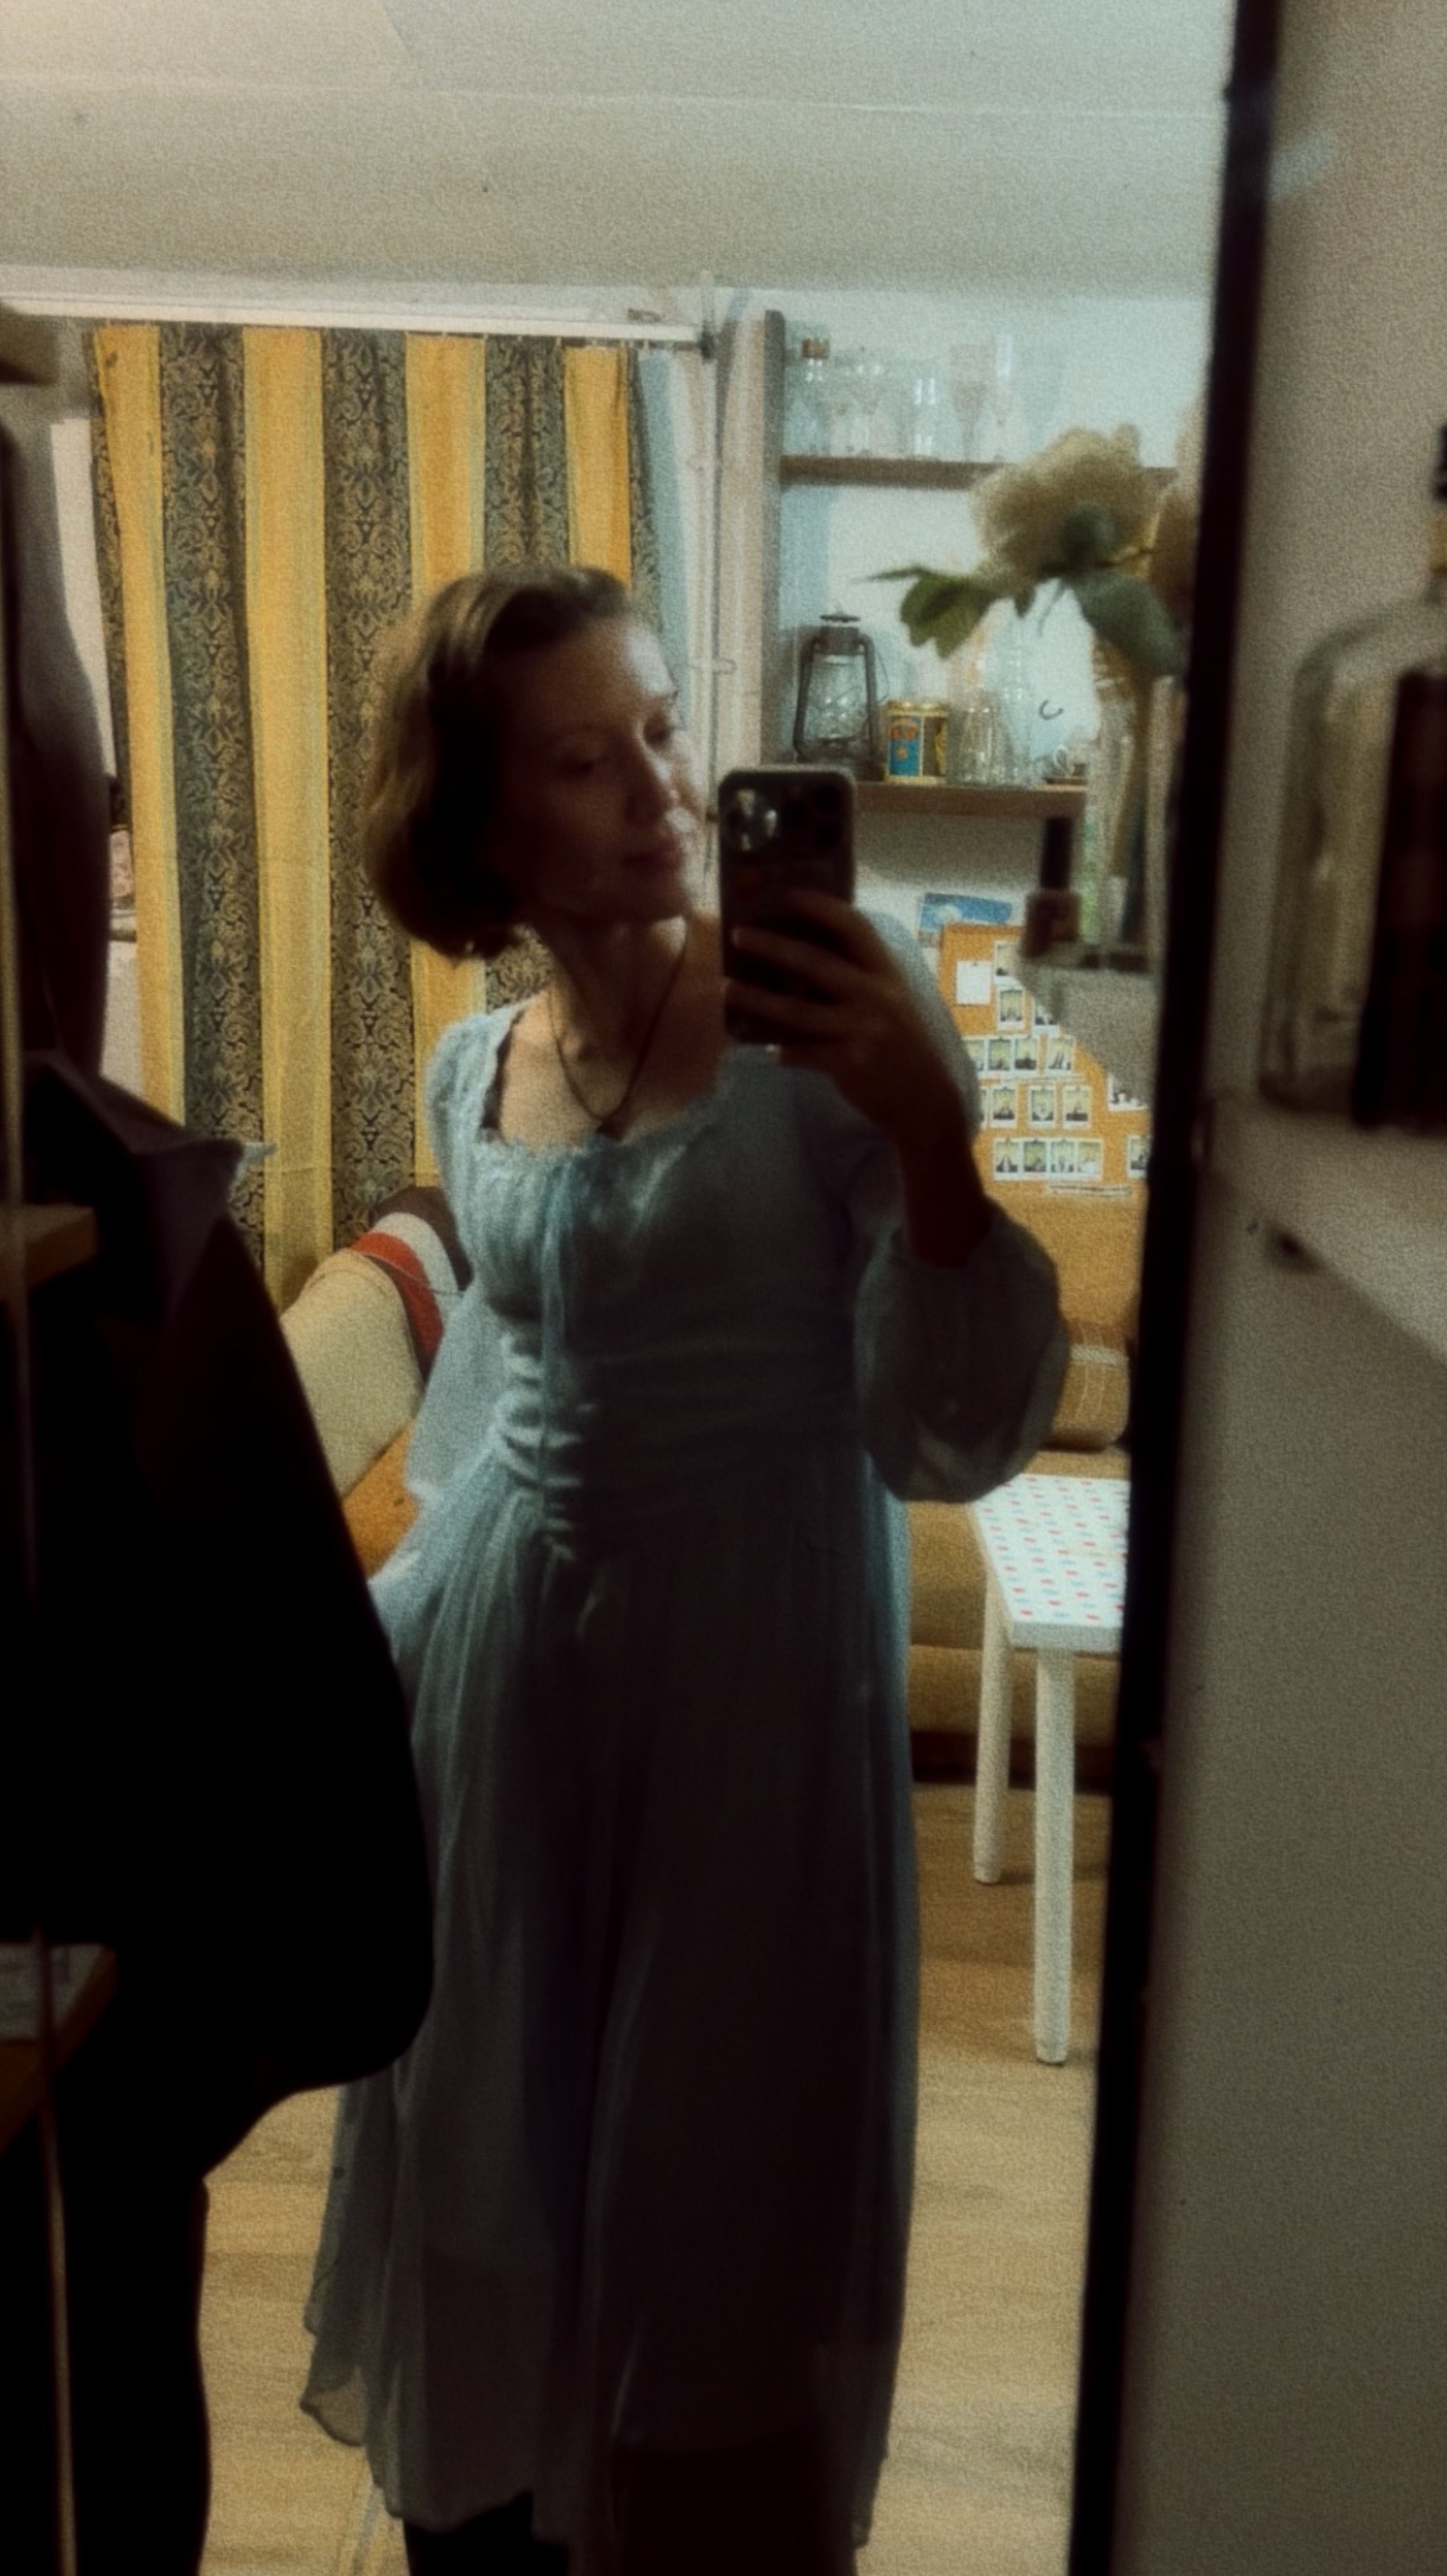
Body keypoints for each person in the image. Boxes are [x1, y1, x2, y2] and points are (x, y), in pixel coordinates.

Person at [300, 564, 1067, 2576]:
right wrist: (358, 1655)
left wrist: (931, 1132)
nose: (661, 788)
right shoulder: (479, 1068)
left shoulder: (833, 1028)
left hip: (752, 1691)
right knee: (491, 2167)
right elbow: (494, 1415)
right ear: (482, 826)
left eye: (661, 729)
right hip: (510, 1714)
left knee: (718, 2187)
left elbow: (950, 1429)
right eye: (587, 760)